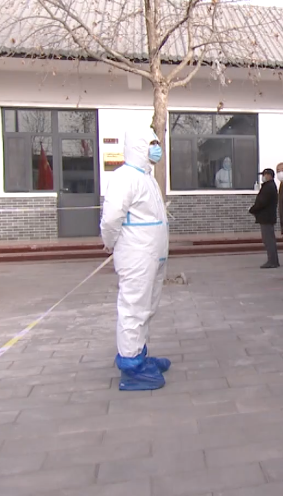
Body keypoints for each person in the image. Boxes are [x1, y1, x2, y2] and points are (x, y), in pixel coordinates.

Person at [100, 125, 172, 392]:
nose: (157, 148)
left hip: (152, 255)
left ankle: (139, 353)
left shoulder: (147, 177)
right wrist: (109, 242)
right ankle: (131, 367)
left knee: (147, 307)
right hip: (137, 255)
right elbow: (111, 218)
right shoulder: (124, 177)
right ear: (140, 146)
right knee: (133, 308)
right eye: (153, 143)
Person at [248, 168, 279, 269]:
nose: (263, 177)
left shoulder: (268, 187)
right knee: (268, 239)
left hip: (266, 217)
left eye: (264, 175)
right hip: (267, 216)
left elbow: (262, 202)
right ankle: (273, 260)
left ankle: (272, 261)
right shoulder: (269, 186)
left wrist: (252, 209)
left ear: (269, 176)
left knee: (268, 240)